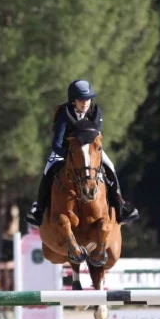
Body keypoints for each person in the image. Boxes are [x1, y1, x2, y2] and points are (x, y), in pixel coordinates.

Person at [24, 79, 140, 227]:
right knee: (48, 170)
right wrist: (71, 156)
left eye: (88, 99)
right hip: (65, 150)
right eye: (81, 100)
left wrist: (87, 155)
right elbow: (57, 143)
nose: (85, 103)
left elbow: (95, 138)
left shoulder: (95, 113)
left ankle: (121, 206)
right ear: (73, 101)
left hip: (90, 152)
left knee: (110, 166)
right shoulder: (64, 115)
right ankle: (38, 209)